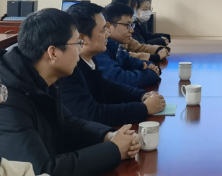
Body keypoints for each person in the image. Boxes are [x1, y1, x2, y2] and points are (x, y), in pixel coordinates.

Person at [0, 9, 141, 176]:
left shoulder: (41, 76)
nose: (80, 50)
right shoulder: (7, 99)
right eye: (77, 43)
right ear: (53, 53)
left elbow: (68, 124)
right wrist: (114, 150)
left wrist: (109, 136)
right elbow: (41, 170)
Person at [59, 3, 166, 126]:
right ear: (82, 38)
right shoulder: (67, 71)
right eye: (103, 29)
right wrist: (144, 108)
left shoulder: (88, 61)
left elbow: (107, 87)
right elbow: (92, 113)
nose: (107, 34)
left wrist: (142, 95)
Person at [95, 4, 161, 88]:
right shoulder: (99, 49)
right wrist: (151, 73)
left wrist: (150, 66)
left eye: (132, 25)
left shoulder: (114, 45)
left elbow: (131, 61)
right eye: (127, 25)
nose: (132, 30)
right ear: (108, 26)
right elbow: (121, 79)